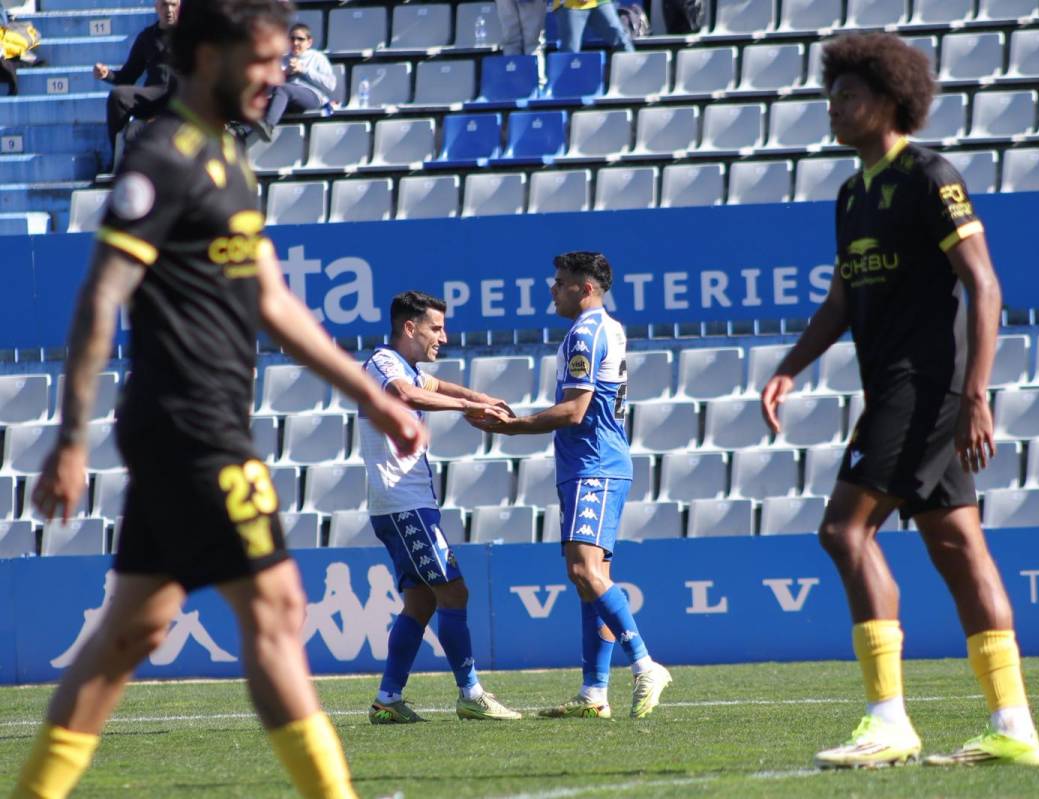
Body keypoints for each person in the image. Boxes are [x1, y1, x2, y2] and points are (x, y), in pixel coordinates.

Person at [9, 2, 428, 798]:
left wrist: (370, 398)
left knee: (133, 629)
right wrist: (69, 438)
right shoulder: (160, 158)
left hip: (192, 426)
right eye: (264, 60)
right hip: (190, 425)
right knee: (275, 608)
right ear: (209, 57)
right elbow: (101, 297)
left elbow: (271, 300)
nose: (280, 74)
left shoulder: (229, 158)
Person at [759, 33, 1039, 769]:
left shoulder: (929, 176)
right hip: (897, 387)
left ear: (890, 101)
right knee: (957, 545)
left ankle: (888, 722)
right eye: (831, 95)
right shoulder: (852, 194)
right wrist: (789, 368)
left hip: (925, 385)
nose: (833, 107)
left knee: (843, 530)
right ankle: (1014, 727)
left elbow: (984, 284)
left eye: (847, 95)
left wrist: (976, 395)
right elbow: (841, 301)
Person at [470, 252, 672, 720]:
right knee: (591, 580)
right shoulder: (607, 329)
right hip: (593, 463)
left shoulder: (585, 333)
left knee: (584, 571)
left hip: (593, 465)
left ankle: (644, 665)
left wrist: (513, 426)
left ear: (586, 288)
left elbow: (575, 410)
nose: (553, 289)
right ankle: (593, 692)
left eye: (561, 282)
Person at [363, 291, 523, 724]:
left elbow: (432, 386)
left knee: (420, 602)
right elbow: (406, 394)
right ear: (409, 327)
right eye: (436, 328)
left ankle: (387, 698)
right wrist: (470, 406)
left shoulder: (408, 367)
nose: (444, 337)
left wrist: (479, 397)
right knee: (454, 592)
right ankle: (471, 694)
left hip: (404, 505)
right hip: (404, 505)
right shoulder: (383, 363)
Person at [94, 0, 179, 157]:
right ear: (156, 7)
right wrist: (107, 74)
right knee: (118, 96)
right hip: (153, 94)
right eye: (164, 5)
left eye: (173, 5)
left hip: (181, 96)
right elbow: (128, 76)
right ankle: (118, 158)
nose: (169, 10)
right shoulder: (147, 37)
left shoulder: (191, 35)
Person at [252, 22, 335, 141]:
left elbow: (330, 85)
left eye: (300, 39)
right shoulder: (282, 59)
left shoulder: (317, 58)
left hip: (312, 97)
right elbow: (267, 89)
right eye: (292, 39)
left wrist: (303, 70)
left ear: (309, 42)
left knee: (284, 88)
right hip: (285, 99)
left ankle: (268, 126)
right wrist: (285, 73)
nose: (295, 43)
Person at [552, 0, 633, 54]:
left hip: (600, 2)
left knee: (620, 37)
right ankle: (568, 75)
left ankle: (633, 70)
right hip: (569, 4)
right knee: (571, 48)